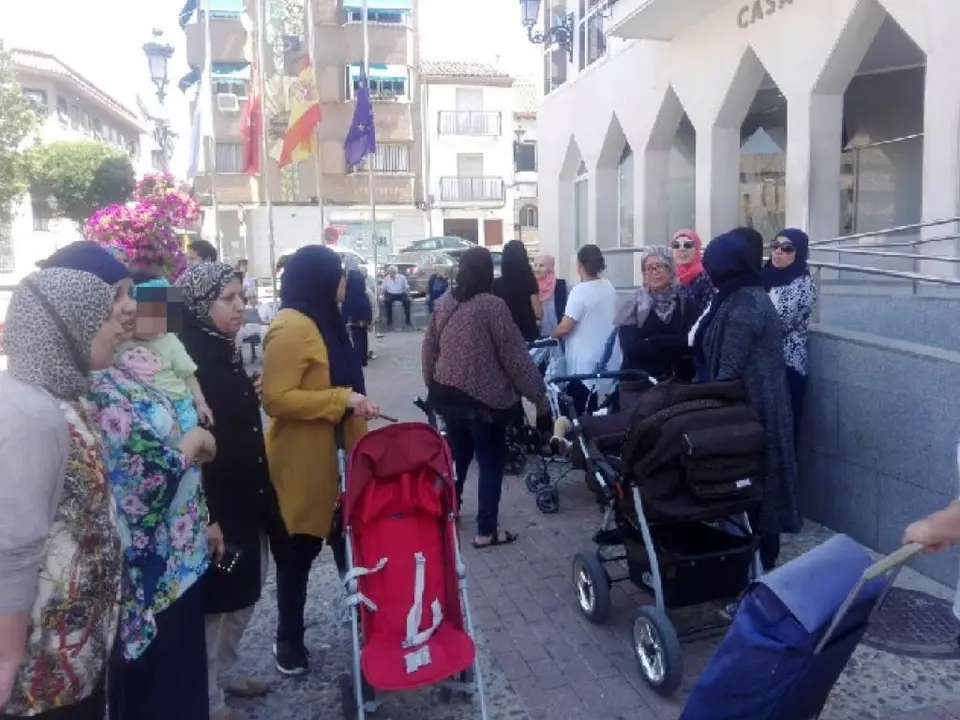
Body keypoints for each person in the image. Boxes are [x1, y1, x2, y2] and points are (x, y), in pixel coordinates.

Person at [0, 268, 126, 720]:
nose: (118, 327)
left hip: (72, 659)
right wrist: (7, 659)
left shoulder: (67, 396)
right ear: (65, 326)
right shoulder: (32, 412)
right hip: (39, 674)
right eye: (104, 318)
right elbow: (13, 546)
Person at [261, 245, 381, 676]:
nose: (345, 282)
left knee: (353, 548)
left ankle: (369, 622)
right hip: (306, 464)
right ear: (318, 279)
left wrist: (357, 404)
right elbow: (275, 398)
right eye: (339, 274)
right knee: (297, 556)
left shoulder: (328, 320)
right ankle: (288, 639)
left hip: (344, 460)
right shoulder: (291, 327)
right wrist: (340, 399)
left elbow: (345, 378)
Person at [176, 263, 289, 720]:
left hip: (249, 490)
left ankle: (226, 672)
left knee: (244, 591)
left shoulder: (223, 347)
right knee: (218, 604)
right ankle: (208, 699)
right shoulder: (188, 357)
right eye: (228, 298)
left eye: (242, 296)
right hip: (218, 497)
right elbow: (191, 435)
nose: (240, 306)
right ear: (202, 304)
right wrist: (207, 515)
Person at [422, 246, 547, 549]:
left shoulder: (444, 303)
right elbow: (514, 357)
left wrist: (434, 387)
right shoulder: (492, 306)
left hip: (448, 396)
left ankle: (448, 513)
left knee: (458, 457)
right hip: (485, 402)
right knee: (490, 462)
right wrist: (538, 396)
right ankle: (485, 531)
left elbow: (428, 350)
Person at [693, 231, 800, 571]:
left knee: (754, 492)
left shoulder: (744, 305)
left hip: (751, 411)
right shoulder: (739, 296)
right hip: (751, 407)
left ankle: (755, 574)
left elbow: (729, 370)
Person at [115, 275, 214, 430]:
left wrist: (201, 403)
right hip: (138, 411)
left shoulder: (169, 340)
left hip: (178, 405)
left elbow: (188, 374)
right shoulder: (119, 342)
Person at [763, 228, 818, 439]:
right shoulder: (763, 276)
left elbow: (779, 323)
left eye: (787, 248)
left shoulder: (803, 285)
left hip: (787, 365)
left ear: (799, 252)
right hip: (759, 364)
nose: (778, 252)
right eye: (775, 246)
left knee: (784, 429)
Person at [552, 244, 618, 413]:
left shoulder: (579, 291)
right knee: (601, 408)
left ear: (579, 265)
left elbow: (566, 327)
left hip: (584, 362)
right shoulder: (608, 286)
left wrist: (553, 333)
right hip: (606, 355)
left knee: (580, 410)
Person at [616, 246, 696, 381]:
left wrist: (653, 341)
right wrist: (671, 345)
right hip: (639, 384)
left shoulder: (685, 301)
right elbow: (631, 348)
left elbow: (691, 343)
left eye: (659, 266)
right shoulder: (633, 304)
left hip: (679, 385)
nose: (654, 272)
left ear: (670, 269)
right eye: (648, 268)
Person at [493, 239, 542, 342]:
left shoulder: (497, 284)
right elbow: (539, 313)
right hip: (527, 334)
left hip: (505, 335)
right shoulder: (529, 281)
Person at [670, 229, 714, 315]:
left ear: (697, 248)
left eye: (688, 245)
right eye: (676, 245)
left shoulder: (706, 276)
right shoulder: (668, 276)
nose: (681, 249)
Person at [341, 267, 373, 367]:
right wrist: (369, 320)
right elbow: (368, 307)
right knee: (363, 338)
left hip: (353, 319)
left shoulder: (349, 295)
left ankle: (357, 360)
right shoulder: (363, 293)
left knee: (356, 338)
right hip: (364, 317)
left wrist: (344, 320)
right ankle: (364, 359)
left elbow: (345, 309)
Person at [533, 252, 568, 338]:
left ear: (550, 267)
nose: (537, 269)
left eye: (541, 266)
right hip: (537, 337)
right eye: (535, 265)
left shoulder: (562, 285)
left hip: (558, 337)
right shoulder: (530, 286)